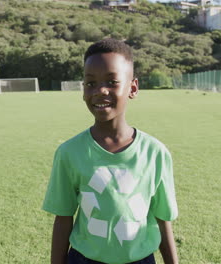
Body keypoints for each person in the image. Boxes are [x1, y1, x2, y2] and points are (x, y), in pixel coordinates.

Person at [42, 38, 178, 264]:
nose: (100, 91)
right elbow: (63, 218)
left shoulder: (155, 153)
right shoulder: (69, 152)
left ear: (133, 88)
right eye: (90, 83)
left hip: (140, 259)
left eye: (112, 82)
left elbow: (163, 220)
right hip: (84, 259)